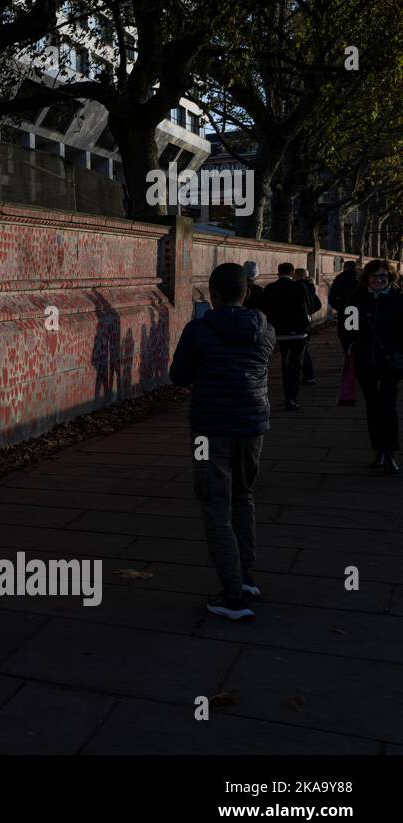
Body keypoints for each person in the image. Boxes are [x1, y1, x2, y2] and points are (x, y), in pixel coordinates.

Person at [170, 262, 275, 621]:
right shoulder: (265, 329)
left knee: (215, 505)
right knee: (244, 498)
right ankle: (245, 579)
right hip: (253, 424)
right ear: (246, 293)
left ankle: (231, 597)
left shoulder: (198, 330)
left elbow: (178, 375)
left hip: (209, 427)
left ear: (211, 295)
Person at [347, 259, 403, 474]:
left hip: (391, 364)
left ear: (390, 278)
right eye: (374, 277)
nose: (379, 280)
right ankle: (378, 450)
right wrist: (352, 347)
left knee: (388, 408)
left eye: (383, 277)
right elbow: (348, 329)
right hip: (366, 363)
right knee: (372, 409)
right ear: (366, 279)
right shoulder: (356, 300)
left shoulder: (399, 300)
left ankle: (390, 453)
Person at [259, 262, 312, 410]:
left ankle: (285, 393)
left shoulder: (270, 288)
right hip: (299, 333)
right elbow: (311, 306)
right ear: (292, 272)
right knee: (296, 366)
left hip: (278, 333)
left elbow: (264, 309)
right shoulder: (299, 287)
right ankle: (291, 397)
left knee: (285, 362)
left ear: (278, 272)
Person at [293, 268, 322, 383]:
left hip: (302, 322)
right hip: (306, 321)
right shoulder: (309, 286)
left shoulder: (301, 287)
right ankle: (307, 375)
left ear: (298, 275)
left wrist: (306, 313)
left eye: (295, 274)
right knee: (303, 348)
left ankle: (308, 375)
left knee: (302, 350)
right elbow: (317, 304)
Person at [330, 260, 359, 353]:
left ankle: (349, 355)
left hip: (346, 308)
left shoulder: (340, 277)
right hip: (358, 309)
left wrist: (339, 307)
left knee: (346, 335)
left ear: (345, 267)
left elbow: (332, 297)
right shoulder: (360, 277)